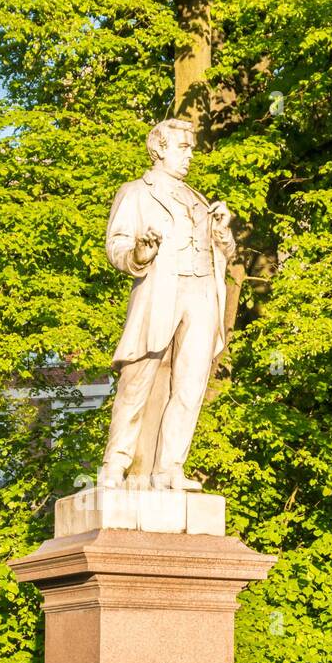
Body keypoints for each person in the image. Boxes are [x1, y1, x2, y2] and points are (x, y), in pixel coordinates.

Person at [100, 118, 236, 491]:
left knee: (190, 385)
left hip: (203, 293)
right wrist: (140, 252)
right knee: (137, 379)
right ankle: (116, 464)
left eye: (191, 148)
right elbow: (117, 246)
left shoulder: (200, 200)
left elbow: (225, 252)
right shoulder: (135, 193)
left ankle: (169, 468)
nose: (190, 155)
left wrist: (223, 232)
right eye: (182, 147)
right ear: (159, 149)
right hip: (162, 291)